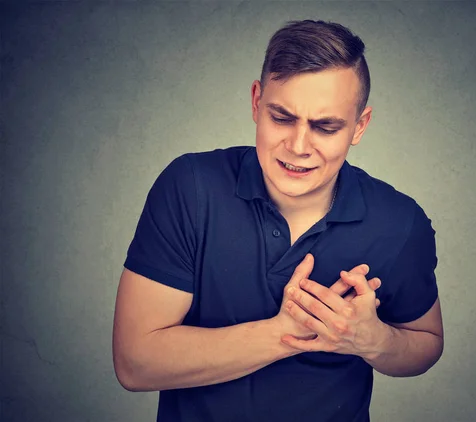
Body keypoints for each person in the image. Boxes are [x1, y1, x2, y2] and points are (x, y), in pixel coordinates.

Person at [112, 19, 444, 422]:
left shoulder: (399, 222)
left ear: (359, 126)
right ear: (256, 101)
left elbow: (425, 344)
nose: (298, 146)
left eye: (325, 126)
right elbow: (134, 363)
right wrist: (287, 334)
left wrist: (373, 340)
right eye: (282, 117)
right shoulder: (190, 188)